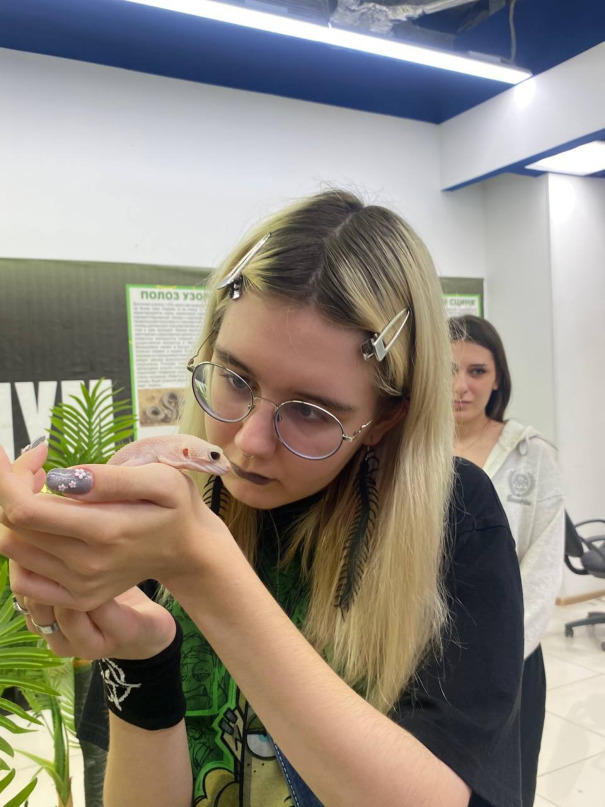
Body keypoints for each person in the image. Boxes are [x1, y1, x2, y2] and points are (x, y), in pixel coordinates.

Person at [2, 191, 524, 807]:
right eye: (234, 378)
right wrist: (142, 659)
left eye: (312, 411)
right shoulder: (162, 511)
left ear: (385, 418)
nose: (248, 443)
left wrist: (203, 572)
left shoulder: (454, 517)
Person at [449, 314, 565, 807]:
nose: (461, 386)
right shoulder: (411, 448)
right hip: (427, 653)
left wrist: (499, 656)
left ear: (498, 379)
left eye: (477, 371)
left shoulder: (532, 455)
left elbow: (543, 566)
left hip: (508, 659)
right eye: (448, 370)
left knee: (501, 790)